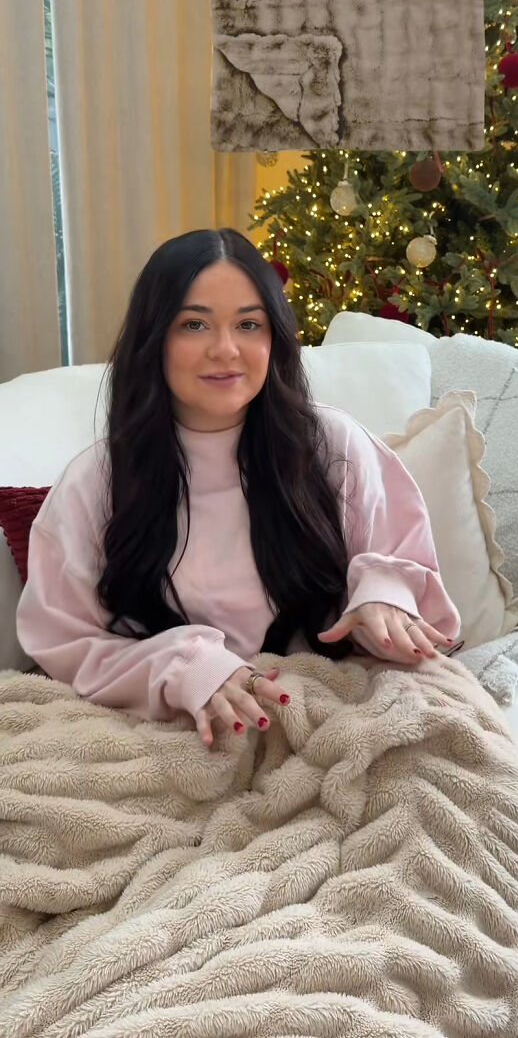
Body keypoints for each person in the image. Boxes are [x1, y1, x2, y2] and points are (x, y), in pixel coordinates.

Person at [16, 229, 461, 748]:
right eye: (195, 324)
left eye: (248, 324)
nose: (225, 350)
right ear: (153, 339)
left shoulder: (333, 445)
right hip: (174, 731)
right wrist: (188, 669)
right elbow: (61, 639)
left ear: (274, 338)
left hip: (327, 711)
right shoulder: (96, 482)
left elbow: (395, 558)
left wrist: (382, 600)